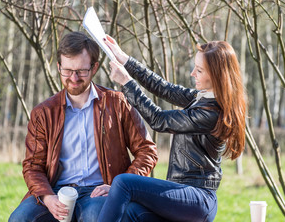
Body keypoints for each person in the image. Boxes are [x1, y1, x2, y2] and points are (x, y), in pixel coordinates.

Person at [9, 32, 158, 222]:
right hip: (56, 191)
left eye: (81, 71)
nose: (73, 77)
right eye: (67, 70)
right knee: (20, 218)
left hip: (101, 191)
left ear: (94, 67)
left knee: (95, 216)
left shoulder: (117, 103)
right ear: (58, 67)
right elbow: (32, 166)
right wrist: (47, 197)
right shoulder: (43, 113)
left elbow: (147, 151)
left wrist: (119, 186)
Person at [97, 36, 247, 222]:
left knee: (122, 182)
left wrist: (127, 83)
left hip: (198, 198)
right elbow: (164, 88)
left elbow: (158, 120)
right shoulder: (201, 98)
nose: (193, 73)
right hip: (181, 194)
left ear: (217, 76)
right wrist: (125, 59)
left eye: (199, 71)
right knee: (131, 210)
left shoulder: (211, 113)